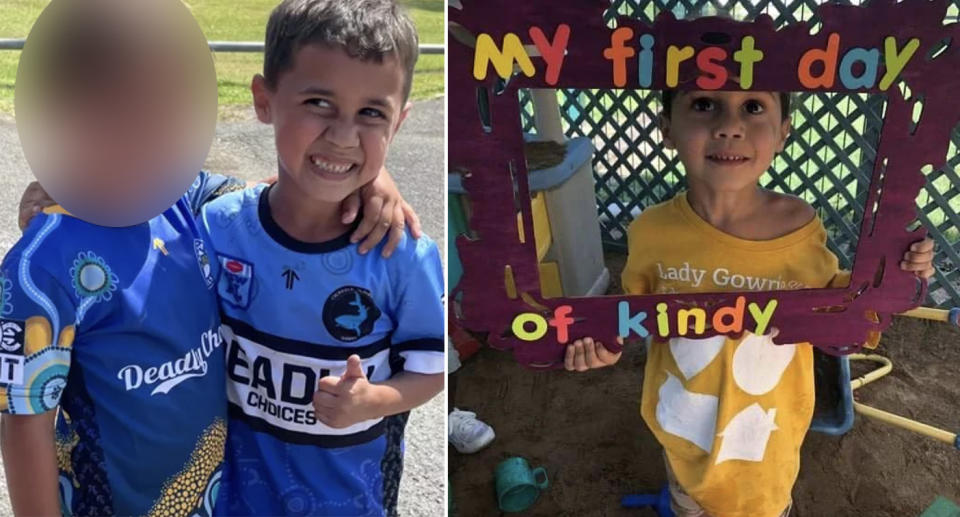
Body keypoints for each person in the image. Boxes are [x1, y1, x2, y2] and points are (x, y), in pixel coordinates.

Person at [1, 12, 417, 517]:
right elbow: (24, 419)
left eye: (161, 112)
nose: (143, 134)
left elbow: (285, 198)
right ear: (65, 118)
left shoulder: (185, 197)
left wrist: (372, 177)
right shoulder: (40, 269)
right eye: (116, 115)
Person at [565, 86, 936, 517]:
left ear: (782, 133)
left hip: (765, 440)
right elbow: (633, 318)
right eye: (703, 105)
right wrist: (602, 349)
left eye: (753, 107)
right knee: (691, 505)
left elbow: (840, 307)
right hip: (685, 431)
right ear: (667, 128)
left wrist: (897, 277)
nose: (729, 126)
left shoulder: (798, 227)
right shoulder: (650, 231)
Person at [199, 1, 444, 515]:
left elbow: (433, 367)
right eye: (318, 102)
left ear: (398, 123)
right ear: (264, 100)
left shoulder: (403, 253)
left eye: (370, 113)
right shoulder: (218, 226)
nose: (342, 135)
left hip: (350, 499)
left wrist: (378, 401)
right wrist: (68, 192)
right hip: (233, 497)